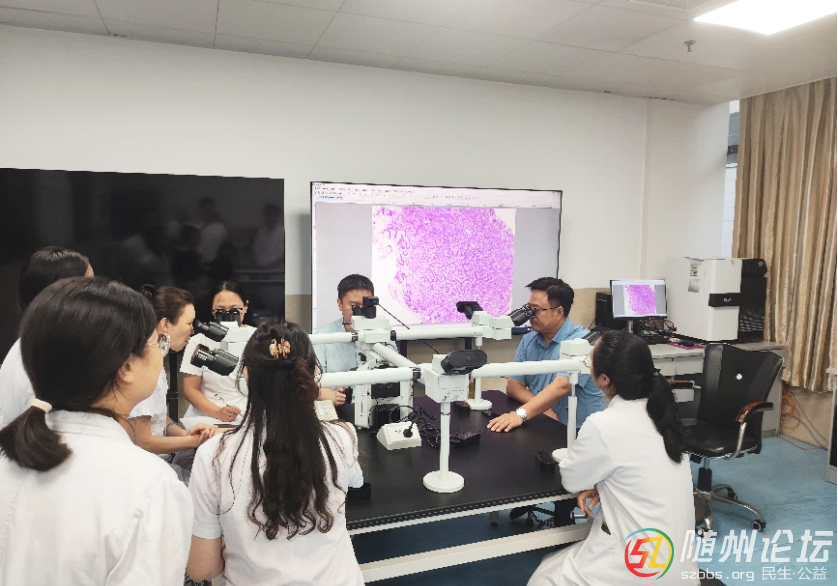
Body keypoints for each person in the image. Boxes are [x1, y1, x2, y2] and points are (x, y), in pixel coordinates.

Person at [0, 277, 193, 585]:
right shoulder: (150, 485)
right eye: (157, 342)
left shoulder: (9, 456)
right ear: (126, 367)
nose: (161, 352)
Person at [186, 320, 365, 585]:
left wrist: (233, 542)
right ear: (312, 373)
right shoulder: (343, 436)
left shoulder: (213, 456)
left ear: (246, 376)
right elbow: (349, 490)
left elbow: (202, 569)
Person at [527, 330, 699, 586]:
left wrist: (595, 481)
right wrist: (603, 484)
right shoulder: (663, 415)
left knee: (543, 577)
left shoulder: (603, 425)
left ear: (604, 379)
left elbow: (571, 481)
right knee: (554, 562)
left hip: (635, 568)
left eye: (590, 361)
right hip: (680, 566)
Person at [488, 278, 604, 433]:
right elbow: (514, 385)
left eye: (536, 310)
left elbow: (562, 386)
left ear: (558, 312)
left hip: (579, 431)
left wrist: (521, 414)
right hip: (543, 422)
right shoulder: (529, 340)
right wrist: (543, 408)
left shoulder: (583, 342)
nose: (530, 315)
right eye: (528, 308)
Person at [130, 285, 218, 482]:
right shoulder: (143, 367)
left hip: (160, 460)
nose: (193, 330)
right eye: (189, 323)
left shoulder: (156, 362)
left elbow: (158, 417)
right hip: (147, 467)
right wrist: (192, 442)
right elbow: (142, 441)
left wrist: (184, 434)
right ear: (165, 324)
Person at [0, 246, 94, 428]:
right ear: (61, 295)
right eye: (90, 286)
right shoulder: (46, 358)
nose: (100, 294)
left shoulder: (38, 343)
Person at [312, 274, 397, 406]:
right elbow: (314, 383)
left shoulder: (383, 332)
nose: (360, 312)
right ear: (340, 304)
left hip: (378, 404)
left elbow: (395, 372)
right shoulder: (322, 338)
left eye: (365, 306)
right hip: (341, 407)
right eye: (354, 306)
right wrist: (327, 394)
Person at [182, 281, 254, 421]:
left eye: (234, 310)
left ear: (245, 307)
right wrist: (218, 413)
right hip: (209, 417)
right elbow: (190, 389)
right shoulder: (199, 341)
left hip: (249, 417)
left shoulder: (258, 338)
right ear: (212, 310)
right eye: (220, 311)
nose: (227, 315)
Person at [197, 196, 228, 264]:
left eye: (209, 209)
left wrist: (222, 221)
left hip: (217, 263)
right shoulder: (196, 227)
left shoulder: (221, 227)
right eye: (205, 209)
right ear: (200, 210)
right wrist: (205, 224)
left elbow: (228, 242)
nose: (207, 212)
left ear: (213, 209)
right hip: (199, 263)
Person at [253, 203, 284, 268]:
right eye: (268, 215)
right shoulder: (261, 232)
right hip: (261, 267)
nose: (271, 218)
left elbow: (283, 254)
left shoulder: (282, 232)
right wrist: (260, 264)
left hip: (278, 268)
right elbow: (256, 250)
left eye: (273, 215)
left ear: (277, 216)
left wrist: (272, 265)